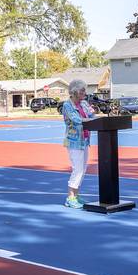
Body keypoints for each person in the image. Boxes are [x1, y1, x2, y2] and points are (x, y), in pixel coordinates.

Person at [61, 79, 96, 209]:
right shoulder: (67, 105)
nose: (84, 93)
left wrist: (92, 113)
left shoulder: (84, 103)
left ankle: (76, 195)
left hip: (85, 141)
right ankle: (70, 197)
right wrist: (88, 119)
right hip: (74, 141)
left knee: (83, 169)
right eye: (82, 91)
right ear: (75, 92)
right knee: (78, 169)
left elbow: (93, 116)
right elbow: (76, 120)